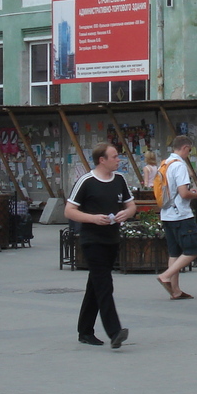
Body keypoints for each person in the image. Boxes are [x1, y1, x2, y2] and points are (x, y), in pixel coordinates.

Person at [65, 142, 135, 348]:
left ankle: (85, 331)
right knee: (104, 284)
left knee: (95, 286)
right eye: (114, 157)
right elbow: (69, 210)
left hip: (112, 239)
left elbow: (131, 205)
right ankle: (115, 332)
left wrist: (127, 213)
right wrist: (93, 219)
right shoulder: (86, 181)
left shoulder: (120, 180)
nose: (118, 160)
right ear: (101, 160)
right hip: (92, 240)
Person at [156, 135, 197, 300]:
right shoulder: (179, 166)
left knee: (174, 253)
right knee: (194, 249)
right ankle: (166, 275)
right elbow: (184, 193)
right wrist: (196, 194)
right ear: (184, 148)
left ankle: (175, 290)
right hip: (181, 215)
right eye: (189, 150)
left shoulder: (165, 164)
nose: (188, 154)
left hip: (167, 214)